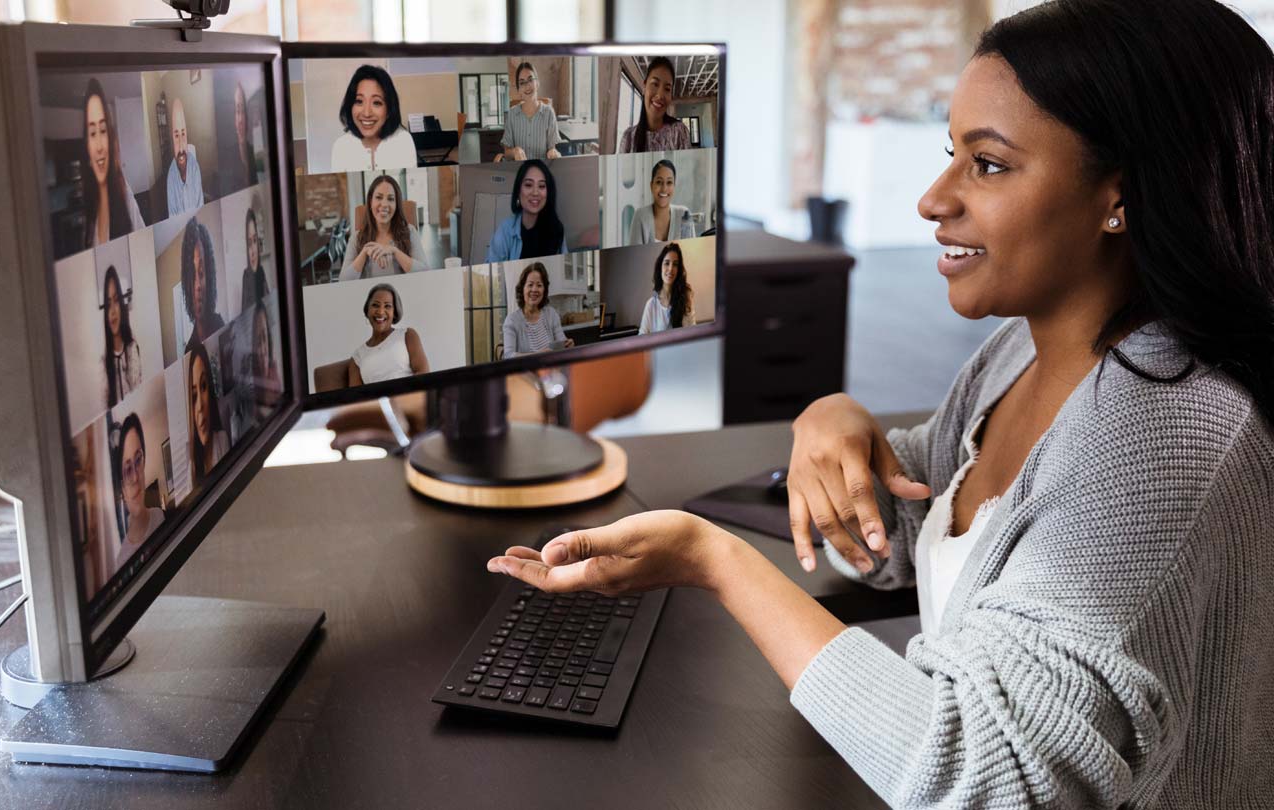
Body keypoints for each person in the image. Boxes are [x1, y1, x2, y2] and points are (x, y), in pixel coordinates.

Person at [486, 1, 1274, 805]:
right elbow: (897, 532)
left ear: (1122, 195)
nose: (932, 199)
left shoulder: (1167, 438)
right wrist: (837, 429)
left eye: (988, 164)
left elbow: (984, 782)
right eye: (951, 154)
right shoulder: (1020, 355)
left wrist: (714, 561)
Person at [82, 78, 144, 249]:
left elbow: (142, 241)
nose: (100, 147)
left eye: (103, 131)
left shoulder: (124, 193)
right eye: (92, 133)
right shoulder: (89, 210)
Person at [339, 175, 430, 281]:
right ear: (370, 202)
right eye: (379, 197)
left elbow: (425, 272)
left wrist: (394, 251)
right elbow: (343, 280)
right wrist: (364, 253)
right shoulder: (357, 237)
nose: (385, 204)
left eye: (391, 199)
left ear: (396, 205)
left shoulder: (410, 231)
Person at [330, 65, 417, 172]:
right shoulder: (341, 147)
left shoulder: (403, 141)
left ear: (389, 109)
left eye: (376, 103)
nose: (367, 113)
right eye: (359, 101)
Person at [485, 159, 567, 263]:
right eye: (528, 185)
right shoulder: (505, 230)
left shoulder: (557, 228)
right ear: (518, 191)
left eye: (541, 186)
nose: (535, 193)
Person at [348, 283, 429, 385]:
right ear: (367, 310)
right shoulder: (357, 357)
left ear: (394, 312)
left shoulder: (407, 335)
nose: (381, 312)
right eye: (375, 305)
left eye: (387, 306)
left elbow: (423, 374)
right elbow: (356, 394)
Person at [114, 412, 164, 570]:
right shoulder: (121, 561)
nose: (136, 477)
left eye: (138, 460)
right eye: (127, 469)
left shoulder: (160, 516)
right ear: (121, 487)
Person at [618, 57, 691, 154]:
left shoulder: (679, 132)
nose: (660, 95)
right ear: (644, 87)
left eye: (667, 89)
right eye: (655, 84)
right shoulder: (628, 138)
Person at [501, 261, 572, 357]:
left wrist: (567, 345)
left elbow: (562, 342)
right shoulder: (511, 321)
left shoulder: (551, 314)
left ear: (544, 290)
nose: (534, 289)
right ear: (522, 289)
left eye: (539, 285)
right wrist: (537, 355)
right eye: (530, 285)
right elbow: (508, 356)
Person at [496, 62, 561, 163]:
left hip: (541, 169)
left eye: (530, 80)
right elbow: (507, 153)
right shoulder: (512, 114)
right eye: (522, 83)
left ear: (537, 83)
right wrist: (514, 151)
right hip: (519, 170)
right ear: (518, 90)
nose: (527, 86)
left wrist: (553, 152)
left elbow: (552, 148)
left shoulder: (549, 113)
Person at [186, 341, 230, 488]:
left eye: (204, 386)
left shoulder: (222, 440)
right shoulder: (191, 470)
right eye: (194, 395)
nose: (200, 406)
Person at [181, 217, 225, 352]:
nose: (198, 286)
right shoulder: (189, 350)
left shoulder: (222, 328)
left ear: (209, 276)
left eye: (201, 272)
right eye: (192, 276)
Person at [101, 265, 142, 407]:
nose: (112, 311)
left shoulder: (132, 349)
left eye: (116, 300)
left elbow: (138, 391)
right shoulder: (103, 363)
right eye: (108, 304)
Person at [629, 159, 691, 246]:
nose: (664, 189)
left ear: (674, 186)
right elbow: (634, 253)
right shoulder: (640, 216)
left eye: (669, 182)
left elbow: (691, 251)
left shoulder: (683, 214)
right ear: (651, 185)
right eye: (659, 182)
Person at [636, 242, 694, 335]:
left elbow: (693, 332)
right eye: (667, 263)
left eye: (675, 264)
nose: (671, 269)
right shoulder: (651, 305)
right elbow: (641, 336)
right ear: (660, 267)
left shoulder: (685, 299)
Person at [166, 98, 204, 215]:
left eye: (183, 134)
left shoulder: (195, 168)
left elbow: (200, 207)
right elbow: (172, 217)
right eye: (177, 136)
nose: (181, 148)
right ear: (172, 139)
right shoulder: (171, 177)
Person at [240, 206, 269, 310]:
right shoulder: (246, 276)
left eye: (255, 240)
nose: (253, 251)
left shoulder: (261, 270)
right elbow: (245, 312)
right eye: (249, 243)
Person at [232, 83, 258, 191]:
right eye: (238, 111)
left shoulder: (257, 154)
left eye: (244, 112)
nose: (241, 120)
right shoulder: (228, 158)